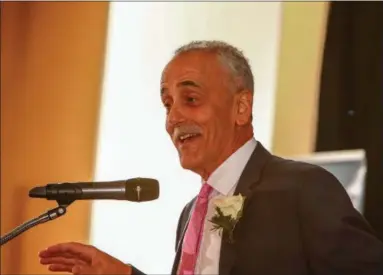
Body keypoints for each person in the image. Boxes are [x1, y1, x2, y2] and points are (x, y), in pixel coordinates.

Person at [39, 41, 383, 275]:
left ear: (241, 107)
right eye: (167, 104)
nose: (173, 119)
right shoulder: (193, 211)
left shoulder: (302, 188)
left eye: (190, 98)